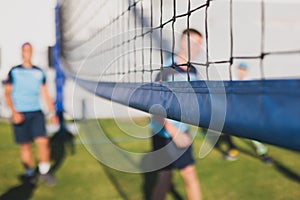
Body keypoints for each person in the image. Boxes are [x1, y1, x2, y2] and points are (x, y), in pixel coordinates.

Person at [150, 29, 203, 200]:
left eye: (199, 43)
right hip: (166, 132)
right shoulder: (168, 68)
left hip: (182, 129)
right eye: (192, 42)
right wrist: (174, 132)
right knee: (173, 176)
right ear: (182, 42)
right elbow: (156, 105)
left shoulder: (193, 71)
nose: (196, 47)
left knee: (177, 175)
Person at [4, 42, 58, 186]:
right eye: (25, 50)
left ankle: (44, 172)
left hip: (36, 113)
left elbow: (45, 94)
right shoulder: (14, 71)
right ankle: (29, 175)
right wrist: (14, 112)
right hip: (20, 113)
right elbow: (7, 94)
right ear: (22, 52)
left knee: (43, 142)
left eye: (29, 50)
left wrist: (52, 112)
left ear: (31, 52)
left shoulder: (39, 72)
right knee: (25, 146)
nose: (27, 52)